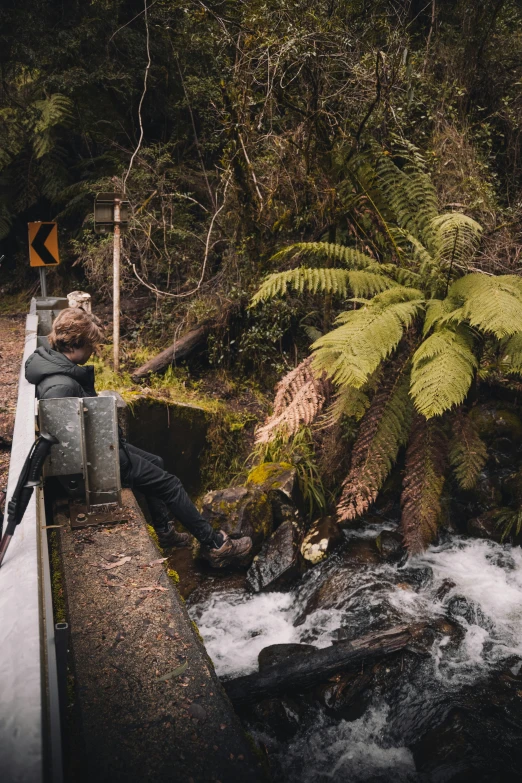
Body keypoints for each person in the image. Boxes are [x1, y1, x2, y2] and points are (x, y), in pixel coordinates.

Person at [25, 307, 252, 568]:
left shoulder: (55, 365)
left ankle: (165, 532)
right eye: (92, 345)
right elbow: (68, 448)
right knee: (171, 484)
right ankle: (215, 544)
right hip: (96, 461)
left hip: (100, 448)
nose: (94, 351)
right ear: (77, 344)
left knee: (156, 461)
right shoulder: (61, 385)